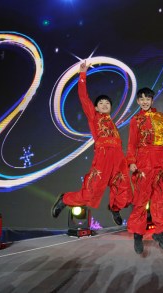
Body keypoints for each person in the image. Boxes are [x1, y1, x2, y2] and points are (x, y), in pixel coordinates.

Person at [51, 61, 133, 225]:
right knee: (90, 192)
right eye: (101, 103)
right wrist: (82, 76)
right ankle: (65, 199)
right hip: (102, 159)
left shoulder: (113, 124)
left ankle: (115, 208)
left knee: (125, 192)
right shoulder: (94, 118)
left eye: (107, 103)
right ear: (95, 108)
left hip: (118, 159)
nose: (104, 105)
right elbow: (84, 98)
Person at [126, 87, 163, 254]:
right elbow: (132, 143)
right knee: (141, 198)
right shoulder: (136, 120)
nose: (145, 101)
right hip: (143, 160)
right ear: (138, 102)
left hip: (161, 160)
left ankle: (160, 232)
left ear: (152, 101)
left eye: (148, 99)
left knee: (160, 197)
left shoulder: (161, 117)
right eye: (142, 99)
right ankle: (137, 234)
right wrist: (132, 161)